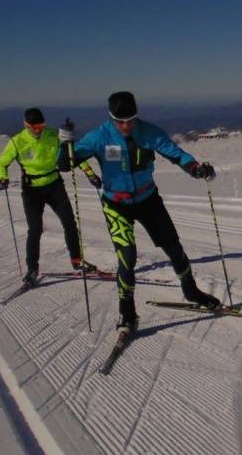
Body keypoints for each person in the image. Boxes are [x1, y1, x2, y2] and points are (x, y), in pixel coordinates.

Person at [58, 91, 220, 334]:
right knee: (128, 257)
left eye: (131, 120)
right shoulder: (98, 137)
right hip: (116, 204)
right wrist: (64, 143)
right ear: (111, 118)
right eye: (120, 121)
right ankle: (127, 313)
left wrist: (196, 169)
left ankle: (191, 290)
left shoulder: (149, 132)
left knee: (174, 247)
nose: (126, 126)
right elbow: (64, 165)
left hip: (148, 200)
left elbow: (176, 154)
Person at [0, 107, 101, 286]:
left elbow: (71, 154)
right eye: (34, 127)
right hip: (32, 189)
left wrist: (90, 173)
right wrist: (2, 178)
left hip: (54, 184)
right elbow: (1, 162)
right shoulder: (17, 142)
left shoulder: (53, 134)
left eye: (41, 126)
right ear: (26, 125)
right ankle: (32, 269)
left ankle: (77, 260)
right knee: (35, 229)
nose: (38, 130)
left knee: (69, 222)